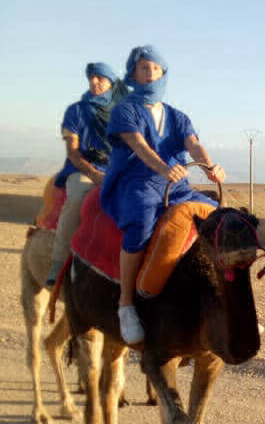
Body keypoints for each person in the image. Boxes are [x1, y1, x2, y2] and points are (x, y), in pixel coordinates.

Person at [100, 45, 225, 346]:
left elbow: (193, 144)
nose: (150, 73)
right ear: (133, 74)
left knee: (215, 218)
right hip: (138, 181)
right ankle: (126, 303)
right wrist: (162, 168)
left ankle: (222, 304)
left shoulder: (177, 115)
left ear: (163, 73)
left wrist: (209, 166)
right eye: (144, 68)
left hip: (176, 184)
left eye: (155, 68)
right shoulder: (125, 110)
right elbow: (140, 146)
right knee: (141, 223)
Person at [46, 62, 127, 286]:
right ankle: (58, 262)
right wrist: (93, 173)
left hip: (117, 169)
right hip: (83, 167)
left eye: (100, 78)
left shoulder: (125, 112)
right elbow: (72, 152)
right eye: (91, 77)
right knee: (77, 201)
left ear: (111, 82)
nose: (94, 82)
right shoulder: (76, 111)